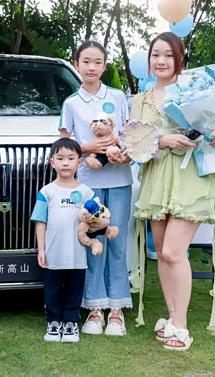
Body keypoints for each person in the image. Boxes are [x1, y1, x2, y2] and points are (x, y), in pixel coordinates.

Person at [129, 32, 215, 351]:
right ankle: (172, 316)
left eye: (168, 54)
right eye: (155, 55)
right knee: (162, 253)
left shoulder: (195, 90)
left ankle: (181, 326)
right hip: (156, 180)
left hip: (190, 178)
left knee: (174, 252)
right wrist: (162, 140)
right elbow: (133, 144)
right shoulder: (140, 100)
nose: (161, 60)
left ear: (180, 58)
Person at [59, 41, 133, 336]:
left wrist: (122, 152)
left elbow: (129, 135)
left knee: (117, 241)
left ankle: (117, 308)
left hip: (120, 179)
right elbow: (63, 145)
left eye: (97, 62)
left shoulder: (118, 97)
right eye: (86, 61)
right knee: (92, 240)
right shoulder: (70, 103)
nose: (91, 67)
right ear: (76, 64)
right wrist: (88, 147)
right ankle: (94, 307)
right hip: (88, 184)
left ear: (105, 66)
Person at [31, 138, 95, 343]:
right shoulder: (46, 192)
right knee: (52, 289)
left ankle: (71, 323)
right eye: (60, 158)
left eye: (70, 158)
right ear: (52, 162)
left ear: (79, 162)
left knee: (75, 288)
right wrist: (41, 250)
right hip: (52, 253)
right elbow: (40, 222)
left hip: (77, 253)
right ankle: (53, 322)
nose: (65, 163)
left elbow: (95, 220)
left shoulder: (86, 193)